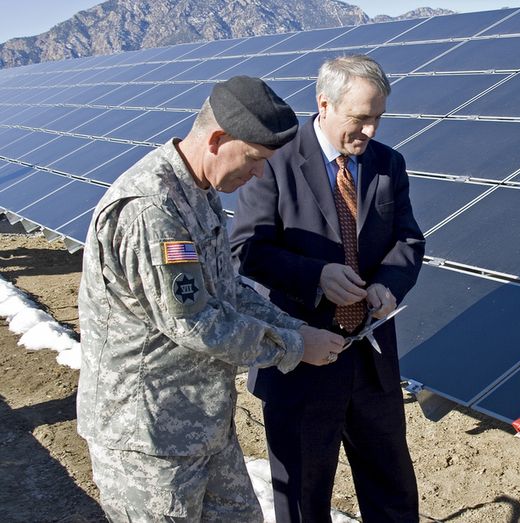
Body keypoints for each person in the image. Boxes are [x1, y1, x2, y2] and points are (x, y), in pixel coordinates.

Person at [77, 75, 345, 521]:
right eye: (256, 159)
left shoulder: (197, 191)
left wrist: (294, 327)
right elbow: (196, 322)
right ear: (218, 139)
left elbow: (227, 290)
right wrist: (294, 347)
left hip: (202, 421)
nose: (259, 174)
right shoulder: (153, 209)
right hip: (150, 437)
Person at [230, 55, 425, 522]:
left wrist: (387, 284)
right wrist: (315, 276)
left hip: (370, 358)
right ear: (324, 104)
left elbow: (408, 239)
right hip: (300, 358)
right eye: (360, 118)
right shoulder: (275, 159)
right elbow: (246, 248)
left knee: (392, 489)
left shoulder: (386, 164)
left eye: (378, 118)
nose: (371, 131)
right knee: (302, 496)